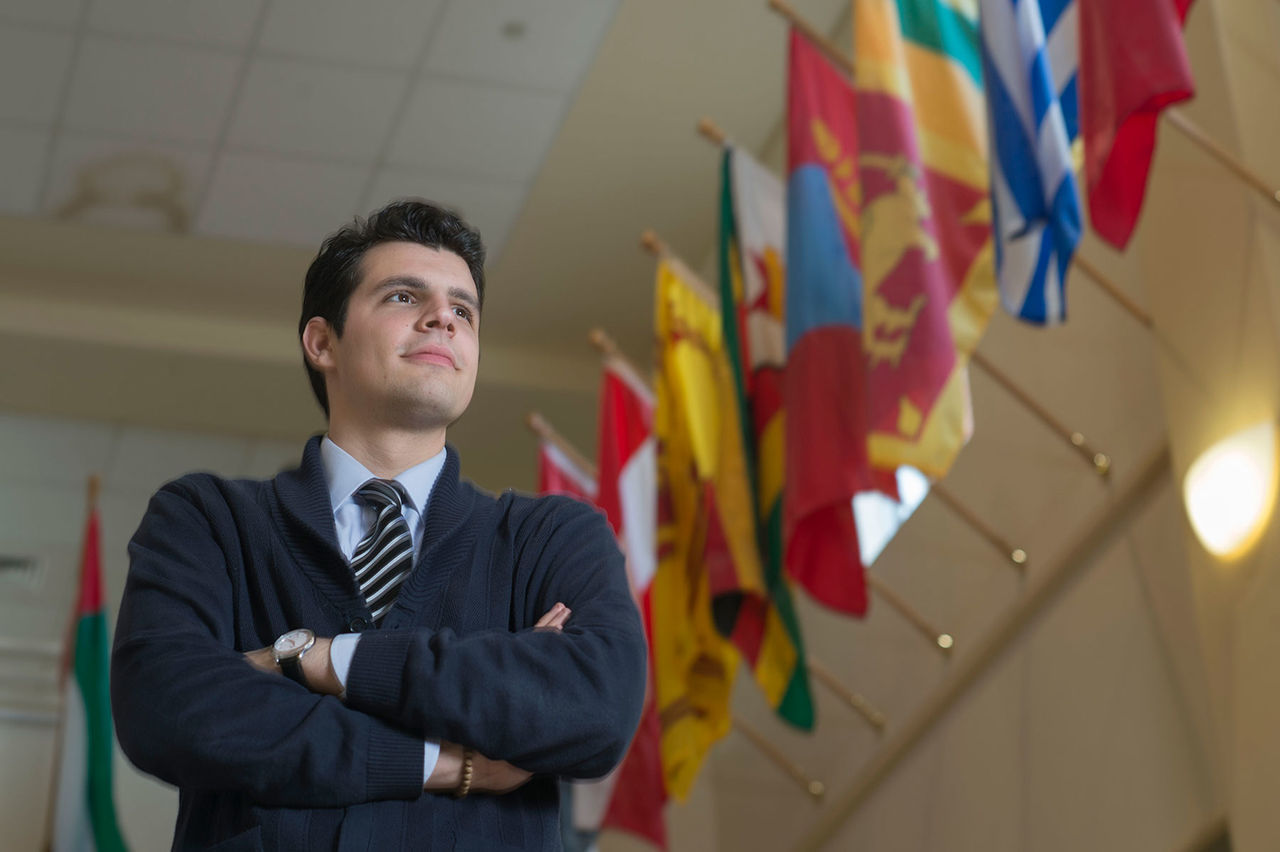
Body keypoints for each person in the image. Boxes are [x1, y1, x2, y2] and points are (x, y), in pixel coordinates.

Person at [111, 199, 647, 851]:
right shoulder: (206, 521)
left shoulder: (554, 537)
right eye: (402, 295)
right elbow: (166, 708)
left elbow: (594, 707)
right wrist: (445, 764)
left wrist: (316, 658)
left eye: (465, 310)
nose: (444, 317)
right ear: (322, 341)